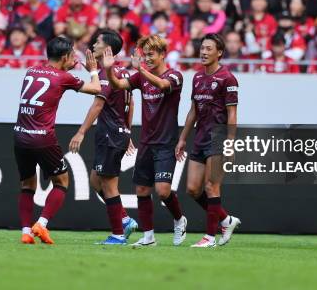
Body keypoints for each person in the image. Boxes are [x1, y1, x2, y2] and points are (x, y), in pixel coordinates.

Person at [14, 37, 101, 245]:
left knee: (27, 185)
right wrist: (93, 70)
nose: (74, 59)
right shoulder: (64, 77)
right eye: (72, 55)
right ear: (64, 57)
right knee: (62, 182)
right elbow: (96, 88)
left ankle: (26, 231)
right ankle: (41, 224)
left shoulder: (31, 71)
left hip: (19, 135)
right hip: (42, 137)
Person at [103, 35, 188, 247]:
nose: (147, 58)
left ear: (162, 55)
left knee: (162, 191)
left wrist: (140, 70)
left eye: (151, 54)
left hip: (166, 143)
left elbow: (162, 85)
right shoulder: (141, 78)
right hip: (147, 142)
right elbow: (118, 84)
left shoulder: (175, 76)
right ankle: (148, 237)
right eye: (144, 55)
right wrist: (107, 70)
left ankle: (179, 219)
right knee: (142, 190)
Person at [69, 30, 139, 245]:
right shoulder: (124, 72)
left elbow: (98, 104)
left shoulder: (106, 75)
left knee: (109, 185)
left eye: (98, 42)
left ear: (108, 49)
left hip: (109, 134)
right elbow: (131, 103)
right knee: (95, 180)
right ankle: (125, 219)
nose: (94, 43)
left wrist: (81, 132)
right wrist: (127, 131)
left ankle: (118, 234)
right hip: (117, 133)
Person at [176, 34, 241, 247]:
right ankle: (226, 219)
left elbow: (232, 114)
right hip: (200, 137)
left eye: (208, 48)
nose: (203, 52)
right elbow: (193, 111)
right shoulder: (197, 77)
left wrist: (231, 144)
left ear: (219, 52)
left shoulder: (228, 79)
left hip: (219, 137)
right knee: (193, 189)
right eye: (202, 48)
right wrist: (182, 139)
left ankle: (210, 237)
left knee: (212, 187)